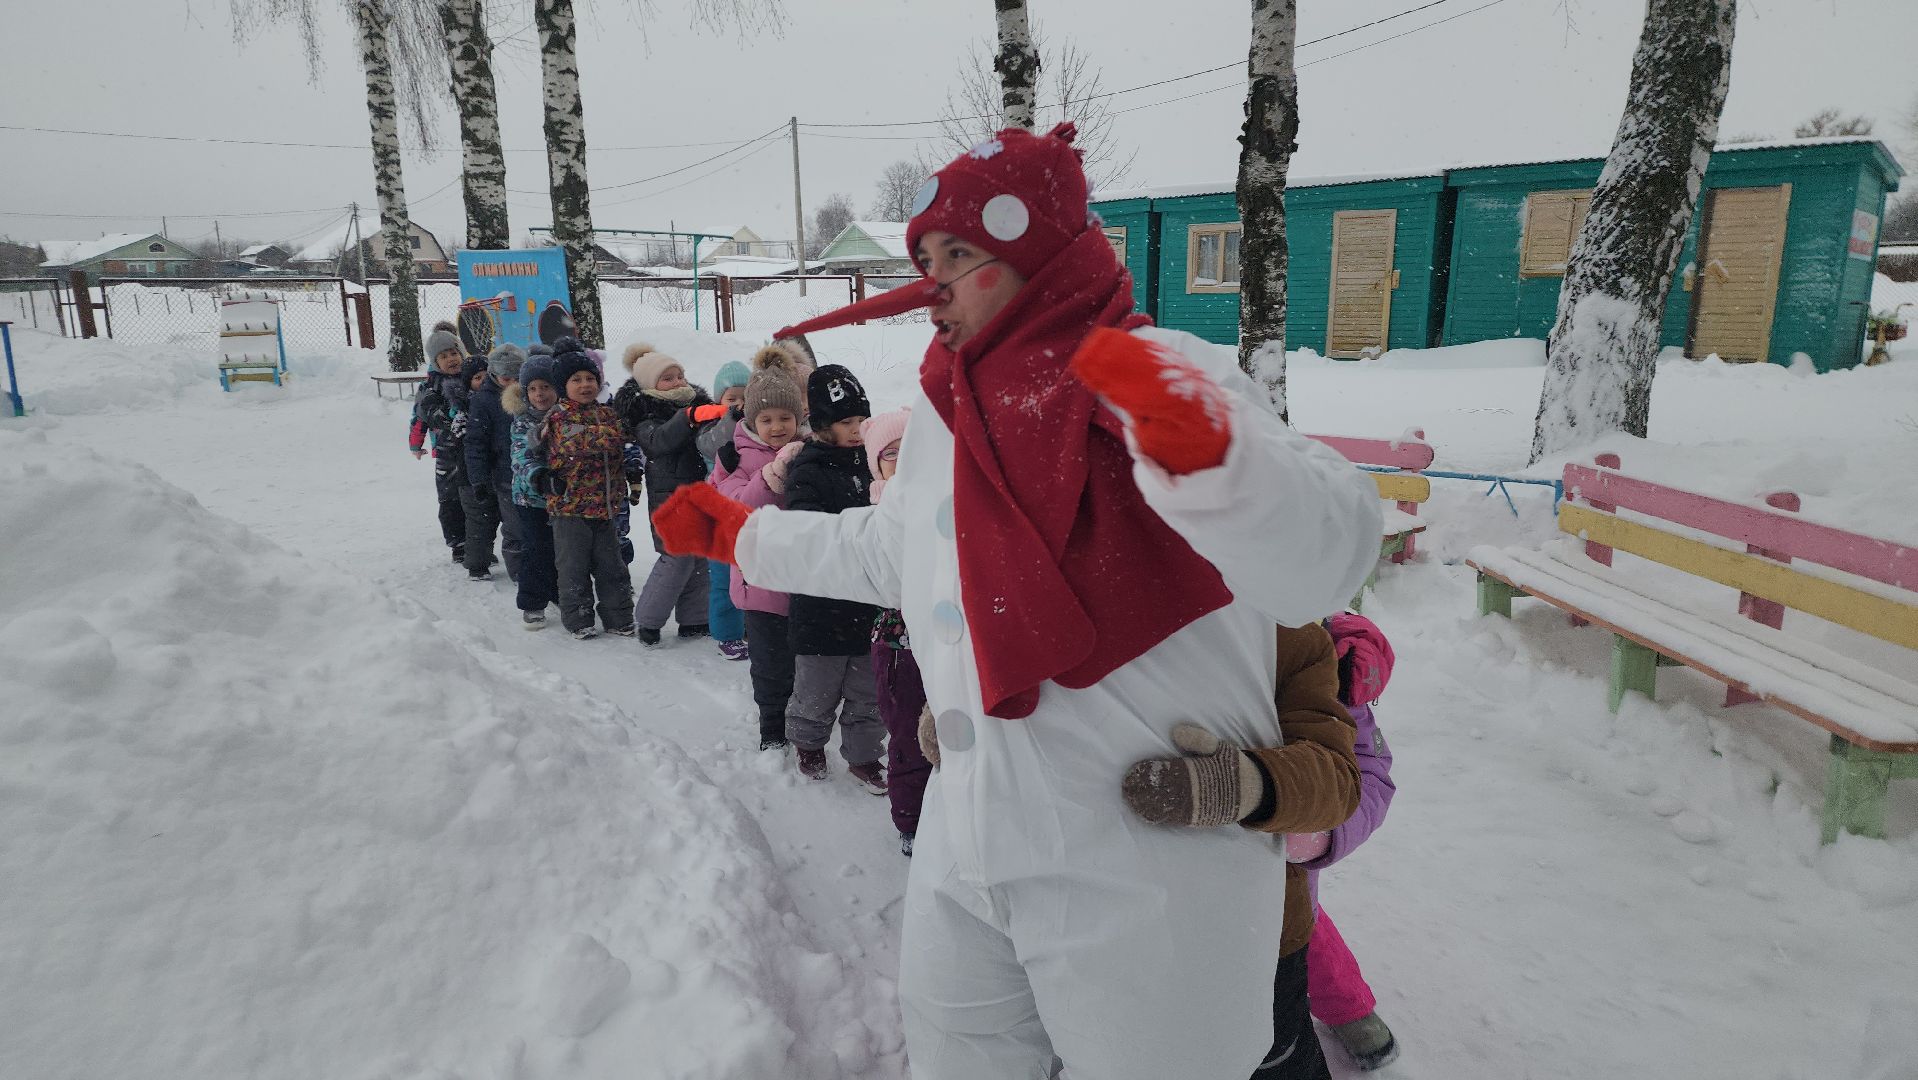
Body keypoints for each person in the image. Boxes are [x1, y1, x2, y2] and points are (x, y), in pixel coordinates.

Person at [652, 123, 1381, 1079]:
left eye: (962, 255)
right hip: (974, 828)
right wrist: (744, 536)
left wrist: (1216, 461)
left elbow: (1328, 556)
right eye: (927, 259)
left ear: (1042, 255)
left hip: (1141, 859)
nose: (936, 281)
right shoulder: (957, 416)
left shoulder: (1163, 370)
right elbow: (902, 555)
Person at [1286, 612, 1401, 1073]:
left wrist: (1321, 836)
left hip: (1281, 870)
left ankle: (1348, 1009)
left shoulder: (1323, 663)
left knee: (1303, 932)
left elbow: (1370, 772)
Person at [781, 365, 886, 792]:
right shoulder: (808, 469)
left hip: (869, 599)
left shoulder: (876, 462)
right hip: (821, 605)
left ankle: (864, 757)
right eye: (847, 422)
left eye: (863, 420)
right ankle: (808, 743)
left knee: (868, 691)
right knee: (817, 690)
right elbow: (807, 529)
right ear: (824, 426)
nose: (858, 430)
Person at [710, 355, 806, 750]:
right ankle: (772, 727)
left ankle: (807, 721)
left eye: (785, 417)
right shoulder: (733, 457)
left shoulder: (810, 449)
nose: (777, 426)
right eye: (766, 419)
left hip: (805, 576)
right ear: (751, 421)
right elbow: (736, 509)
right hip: (760, 581)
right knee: (770, 664)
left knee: (807, 659)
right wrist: (771, 477)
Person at [614, 342, 723, 647]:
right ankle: (648, 619)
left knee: (700, 556)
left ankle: (694, 618)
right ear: (651, 385)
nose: (678, 382)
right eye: (668, 378)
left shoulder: (695, 406)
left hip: (699, 492)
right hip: (670, 498)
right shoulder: (647, 414)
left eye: (680, 376)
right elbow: (657, 442)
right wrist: (687, 418)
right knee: (676, 558)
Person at [863, 406, 928, 854]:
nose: (903, 462)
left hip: (950, 634)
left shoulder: (949, 497)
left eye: (912, 451)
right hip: (899, 639)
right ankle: (911, 818)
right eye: (891, 454)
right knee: (909, 730)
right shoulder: (877, 511)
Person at [544, 337, 635, 640]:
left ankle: (618, 616)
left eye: (590, 379)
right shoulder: (558, 416)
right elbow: (581, 442)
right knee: (573, 568)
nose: (585, 385)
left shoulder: (607, 413)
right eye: (576, 380)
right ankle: (578, 618)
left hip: (605, 506)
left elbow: (622, 436)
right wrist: (612, 435)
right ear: (562, 386)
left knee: (613, 567)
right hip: (570, 508)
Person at [699, 360, 752, 661]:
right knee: (723, 579)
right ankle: (727, 634)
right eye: (732, 398)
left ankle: (743, 625)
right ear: (719, 400)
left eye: (745, 397)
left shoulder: (757, 425)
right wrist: (731, 418)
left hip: (745, 513)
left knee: (747, 575)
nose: (739, 404)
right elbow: (711, 445)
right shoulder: (712, 426)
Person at [505, 352, 562, 630]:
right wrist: (539, 478)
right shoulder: (522, 421)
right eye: (533, 388)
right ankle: (532, 601)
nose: (540, 394)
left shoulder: (566, 415)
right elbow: (521, 457)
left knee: (563, 549)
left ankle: (558, 591)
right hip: (532, 499)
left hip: (564, 497)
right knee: (537, 550)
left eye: (546, 387)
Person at [464, 343, 527, 586]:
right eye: (505, 377)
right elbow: (476, 442)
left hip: (531, 473)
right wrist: (478, 478)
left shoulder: (532, 393)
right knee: (514, 527)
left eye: (517, 377)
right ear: (494, 374)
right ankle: (521, 573)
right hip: (504, 475)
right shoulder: (484, 400)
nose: (511, 383)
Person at [409, 323, 468, 562]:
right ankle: (458, 544)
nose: (451, 359)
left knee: (474, 496)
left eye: (454, 353)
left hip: (472, 449)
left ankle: (477, 541)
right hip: (447, 451)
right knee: (450, 498)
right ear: (435, 362)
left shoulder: (471, 378)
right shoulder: (430, 388)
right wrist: (416, 443)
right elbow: (420, 416)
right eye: (443, 356)